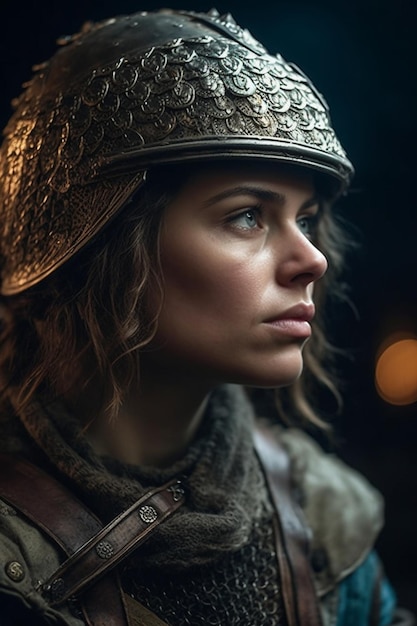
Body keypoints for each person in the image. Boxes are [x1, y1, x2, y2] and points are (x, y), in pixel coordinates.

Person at [0, 7, 413, 626]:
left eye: (304, 219)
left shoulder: (324, 519)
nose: (312, 260)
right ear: (102, 242)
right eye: (247, 215)